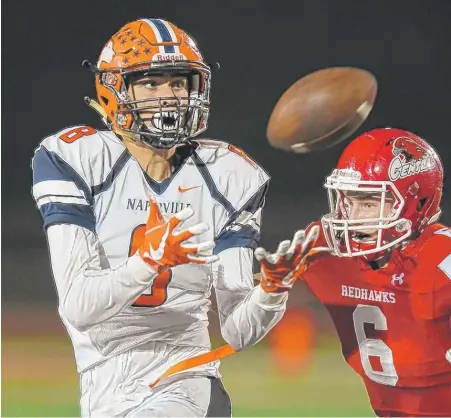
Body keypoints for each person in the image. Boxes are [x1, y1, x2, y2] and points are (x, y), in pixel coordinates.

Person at [31, 18, 318, 417]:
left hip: (185, 380)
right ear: (115, 89)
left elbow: (237, 330)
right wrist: (147, 263)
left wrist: (271, 291)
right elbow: (80, 307)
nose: (169, 96)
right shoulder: (76, 158)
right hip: (102, 384)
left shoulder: (230, 174)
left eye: (179, 83)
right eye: (151, 83)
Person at [254, 127, 451, 417]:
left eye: (368, 203)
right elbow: (240, 313)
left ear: (415, 203)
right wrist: (268, 289)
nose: (352, 217)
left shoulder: (444, 257)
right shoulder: (324, 249)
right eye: (347, 201)